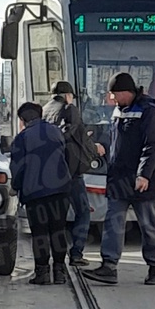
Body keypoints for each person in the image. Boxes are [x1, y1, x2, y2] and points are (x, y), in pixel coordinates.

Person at [83, 72, 155, 286]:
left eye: (115, 94)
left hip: (141, 181)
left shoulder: (149, 111)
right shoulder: (119, 110)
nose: (112, 99)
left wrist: (144, 174)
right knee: (113, 222)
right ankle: (109, 266)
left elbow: (152, 146)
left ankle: (154, 267)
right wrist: (102, 146)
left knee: (148, 224)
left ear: (126, 92)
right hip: (119, 178)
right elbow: (116, 139)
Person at [42, 81, 105, 266]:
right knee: (83, 212)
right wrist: (95, 148)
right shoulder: (70, 109)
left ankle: (55, 258)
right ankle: (76, 253)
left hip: (50, 171)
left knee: (56, 215)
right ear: (68, 95)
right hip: (70, 171)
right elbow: (74, 136)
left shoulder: (44, 110)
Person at [10, 102, 72, 285]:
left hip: (35, 193)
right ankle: (60, 272)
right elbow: (66, 157)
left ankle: (42, 273)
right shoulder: (55, 132)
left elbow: (17, 168)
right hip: (61, 190)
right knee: (58, 231)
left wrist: (15, 187)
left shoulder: (22, 139)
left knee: (40, 233)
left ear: (22, 120)